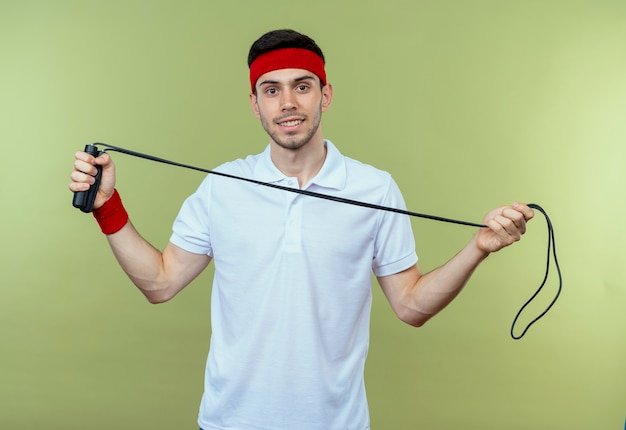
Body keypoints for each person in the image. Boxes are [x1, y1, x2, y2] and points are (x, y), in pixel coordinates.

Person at [69, 29, 534, 430]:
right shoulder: (222, 187)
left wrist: (479, 247)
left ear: (325, 94)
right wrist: (108, 207)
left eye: (301, 87)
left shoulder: (374, 187)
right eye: (270, 90)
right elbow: (160, 282)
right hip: (230, 421)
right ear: (254, 104)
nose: (287, 103)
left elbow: (412, 306)